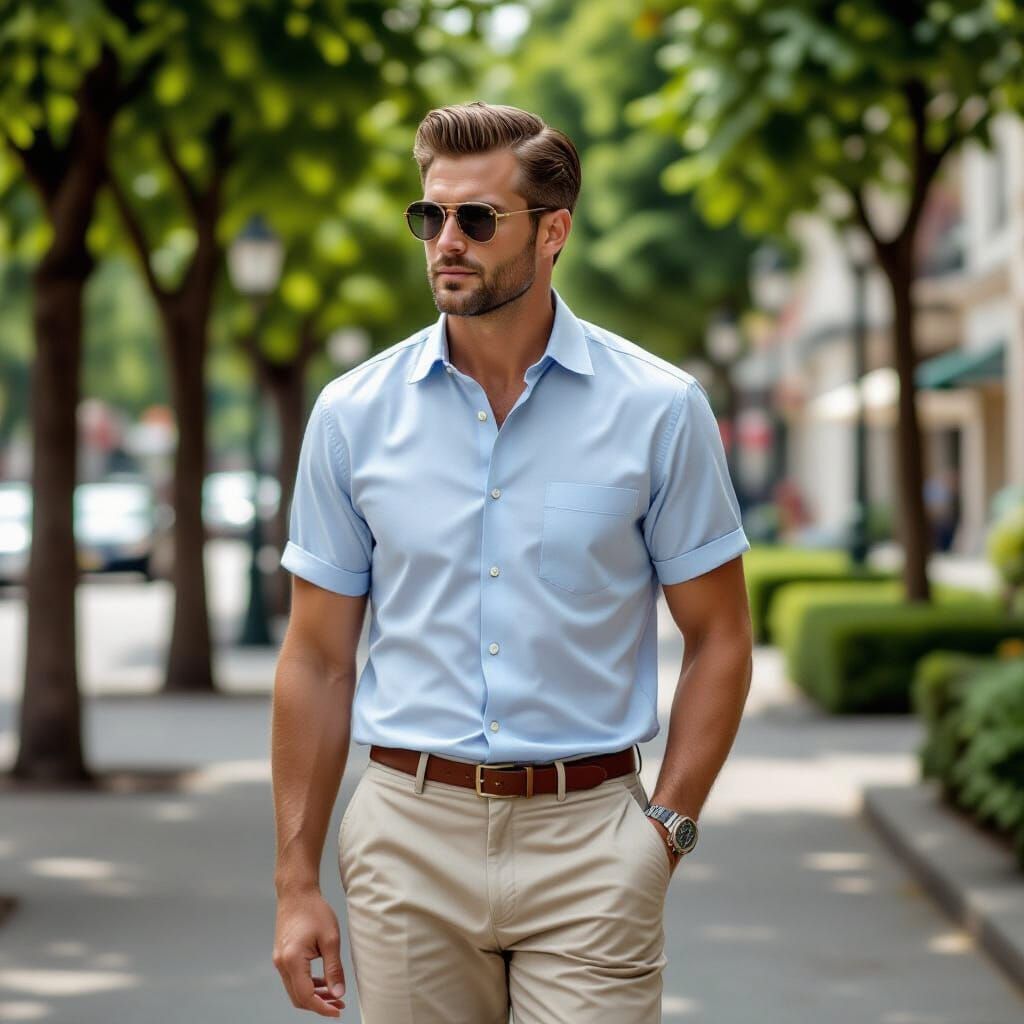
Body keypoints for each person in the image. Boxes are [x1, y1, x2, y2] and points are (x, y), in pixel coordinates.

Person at [270, 101, 754, 1023]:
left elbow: (720, 637)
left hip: (593, 841)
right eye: (431, 216)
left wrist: (665, 833)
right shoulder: (351, 414)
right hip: (408, 836)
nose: (446, 241)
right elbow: (318, 658)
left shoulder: (659, 409)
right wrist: (297, 880)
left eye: (477, 219)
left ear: (553, 231)